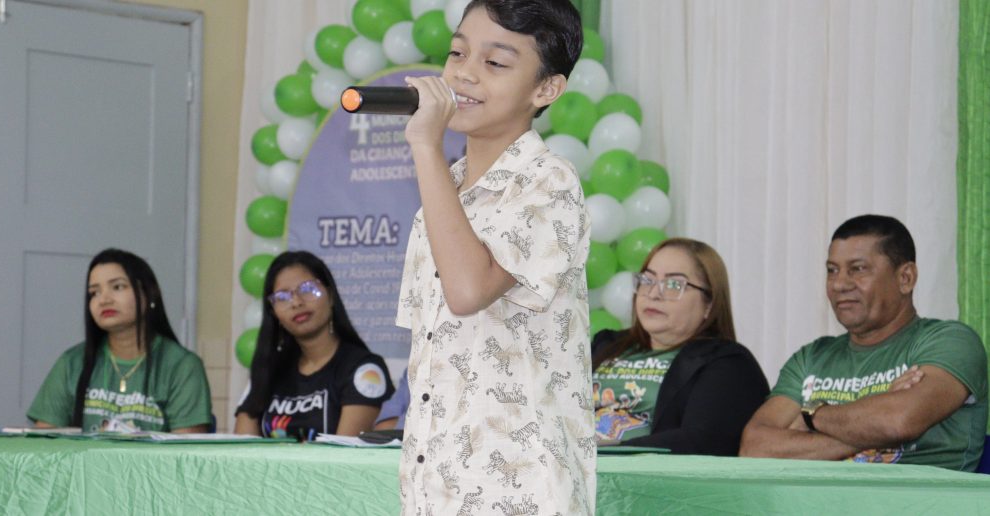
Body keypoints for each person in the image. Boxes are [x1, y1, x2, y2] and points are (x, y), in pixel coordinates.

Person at [395, 1, 594, 513]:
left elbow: (468, 292)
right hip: (434, 492)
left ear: (546, 89)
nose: (464, 73)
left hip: (518, 493)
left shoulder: (549, 181)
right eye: (457, 53)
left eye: (495, 62)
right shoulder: (444, 194)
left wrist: (425, 147)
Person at [740, 215, 987, 471]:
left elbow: (898, 422)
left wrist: (811, 415)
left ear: (905, 278)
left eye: (858, 269)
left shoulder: (949, 342)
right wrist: (872, 424)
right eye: (832, 270)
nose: (839, 284)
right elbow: (755, 449)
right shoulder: (811, 357)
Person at [591, 238, 769, 456]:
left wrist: (601, 453)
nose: (653, 294)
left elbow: (699, 441)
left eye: (674, 285)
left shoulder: (729, 364)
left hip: (639, 474)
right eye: (647, 280)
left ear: (709, 304)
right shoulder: (606, 345)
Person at [28, 248, 212, 433]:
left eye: (117, 287)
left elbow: (185, 448)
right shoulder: (71, 363)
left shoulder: (182, 367)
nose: (104, 300)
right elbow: (44, 443)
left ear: (148, 294)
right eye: (94, 293)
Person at [236, 251, 394, 440]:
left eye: (308, 289)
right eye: (282, 297)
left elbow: (347, 453)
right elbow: (243, 447)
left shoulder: (364, 370)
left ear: (331, 296)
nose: (296, 302)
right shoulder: (268, 369)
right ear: (274, 313)